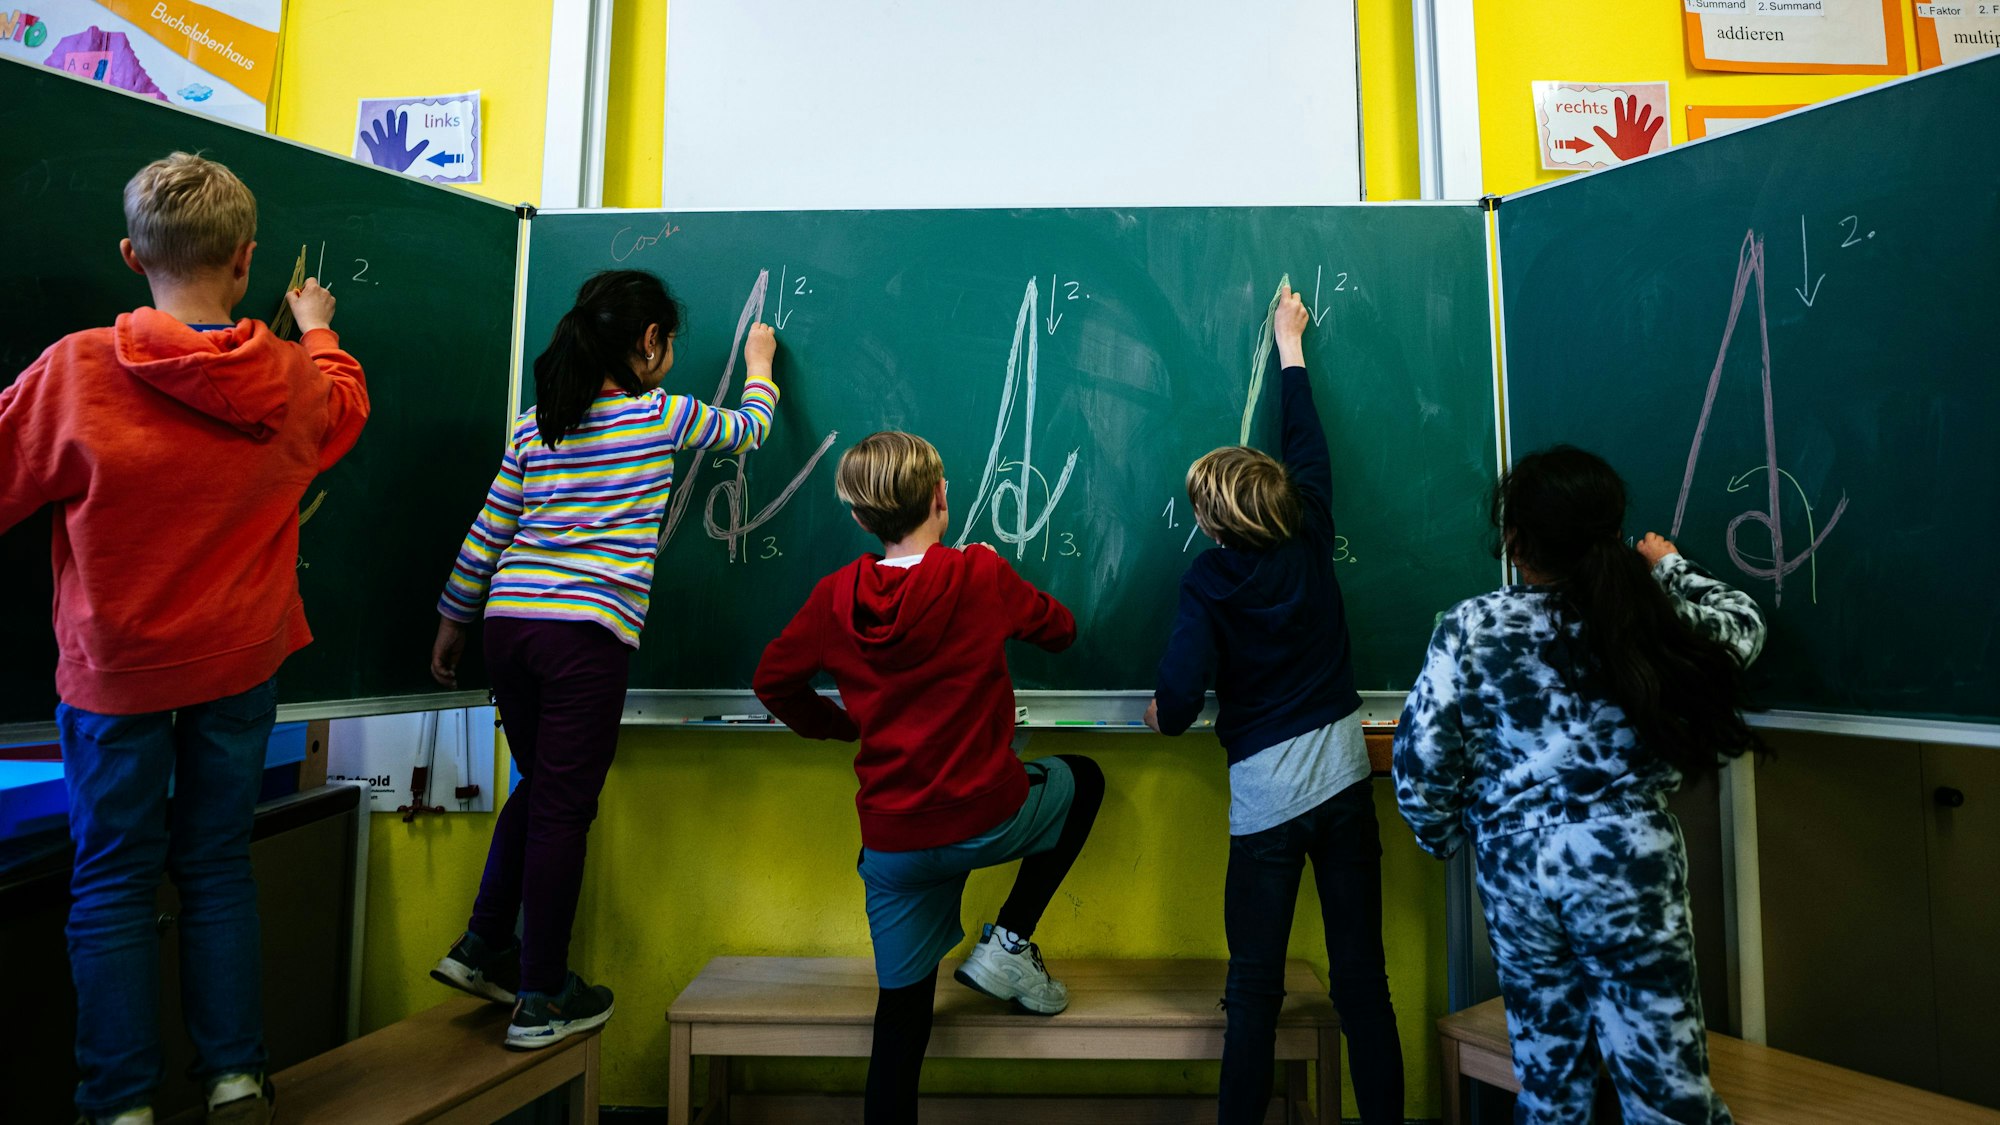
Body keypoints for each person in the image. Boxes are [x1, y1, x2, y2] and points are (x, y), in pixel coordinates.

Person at [0, 151, 367, 1125]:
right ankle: (236, 1076)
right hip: (239, 665)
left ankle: (120, 1104)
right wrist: (322, 330)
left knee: (113, 878)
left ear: (130, 255)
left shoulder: (74, 371)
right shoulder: (292, 380)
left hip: (113, 673)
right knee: (214, 865)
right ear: (246, 262)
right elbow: (345, 407)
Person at [427, 270, 780, 1049]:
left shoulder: (537, 424)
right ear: (650, 343)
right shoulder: (660, 417)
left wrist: (453, 619)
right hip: (582, 635)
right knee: (563, 807)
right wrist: (760, 368)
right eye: (671, 344)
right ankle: (542, 994)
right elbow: (748, 429)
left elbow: (487, 533)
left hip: (507, 626)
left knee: (544, 785)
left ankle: (484, 943)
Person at [1393, 444, 1767, 1124]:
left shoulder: (1469, 628)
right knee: (1666, 1089)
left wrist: (1454, 836)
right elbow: (1743, 627)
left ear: (1514, 539)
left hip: (1517, 872)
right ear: (1612, 534)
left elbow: (1420, 769)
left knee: (1550, 1085)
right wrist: (1671, 568)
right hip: (1627, 859)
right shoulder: (1649, 616)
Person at [754, 431, 1105, 1125]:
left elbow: (773, 681)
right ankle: (1009, 942)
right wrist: (999, 576)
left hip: (896, 846)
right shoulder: (978, 575)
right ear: (942, 499)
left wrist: (841, 726)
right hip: (991, 818)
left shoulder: (834, 597)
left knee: (902, 1022)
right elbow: (1061, 630)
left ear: (860, 518)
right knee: (1083, 781)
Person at [1145, 284, 1404, 1124]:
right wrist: (1290, 348)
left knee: (1253, 988)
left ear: (1215, 524)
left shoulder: (1209, 579)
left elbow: (1180, 702)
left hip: (1267, 804)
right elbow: (1308, 445)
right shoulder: (1311, 533)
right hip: (1342, 778)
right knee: (1362, 979)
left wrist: (1158, 716)